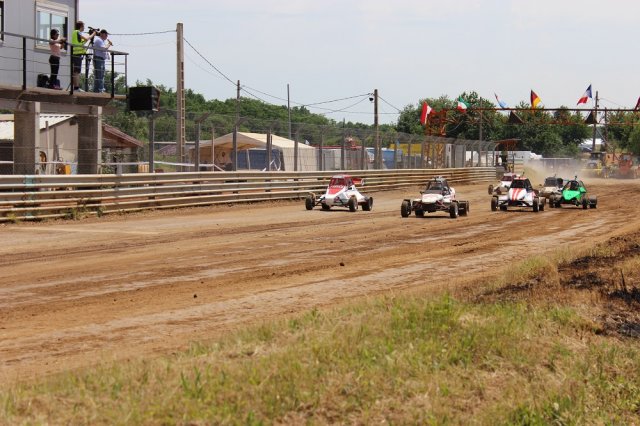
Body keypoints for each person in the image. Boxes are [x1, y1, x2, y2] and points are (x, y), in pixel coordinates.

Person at [71, 21, 96, 92]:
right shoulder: (77, 32)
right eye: (83, 26)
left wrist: (90, 36)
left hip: (77, 54)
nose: (84, 28)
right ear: (81, 26)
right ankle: (76, 88)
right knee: (76, 72)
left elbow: (82, 42)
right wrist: (93, 34)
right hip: (77, 54)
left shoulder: (76, 34)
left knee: (76, 71)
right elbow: (86, 39)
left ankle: (76, 87)